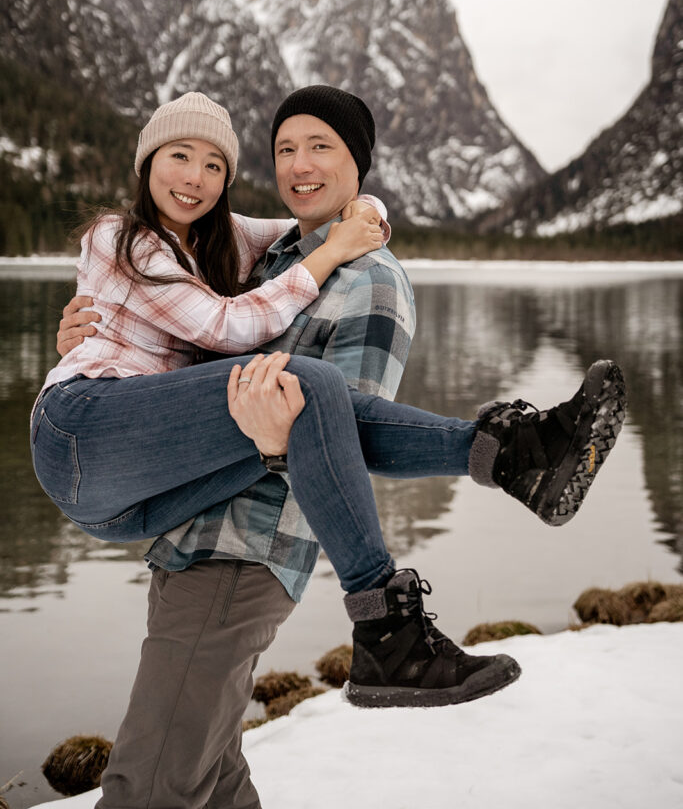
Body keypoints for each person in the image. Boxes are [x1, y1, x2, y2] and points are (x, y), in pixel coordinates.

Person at [47, 89, 626, 803]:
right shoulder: (258, 253)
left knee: (156, 784)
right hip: (176, 517)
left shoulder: (369, 279)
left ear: (356, 161)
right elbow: (208, 346)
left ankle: (426, 570)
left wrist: (278, 435)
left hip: (247, 545)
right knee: (209, 776)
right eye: (285, 149)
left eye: (321, 146)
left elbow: (338, 432)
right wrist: (99, 340)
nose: (299, 164)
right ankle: (507, 454)